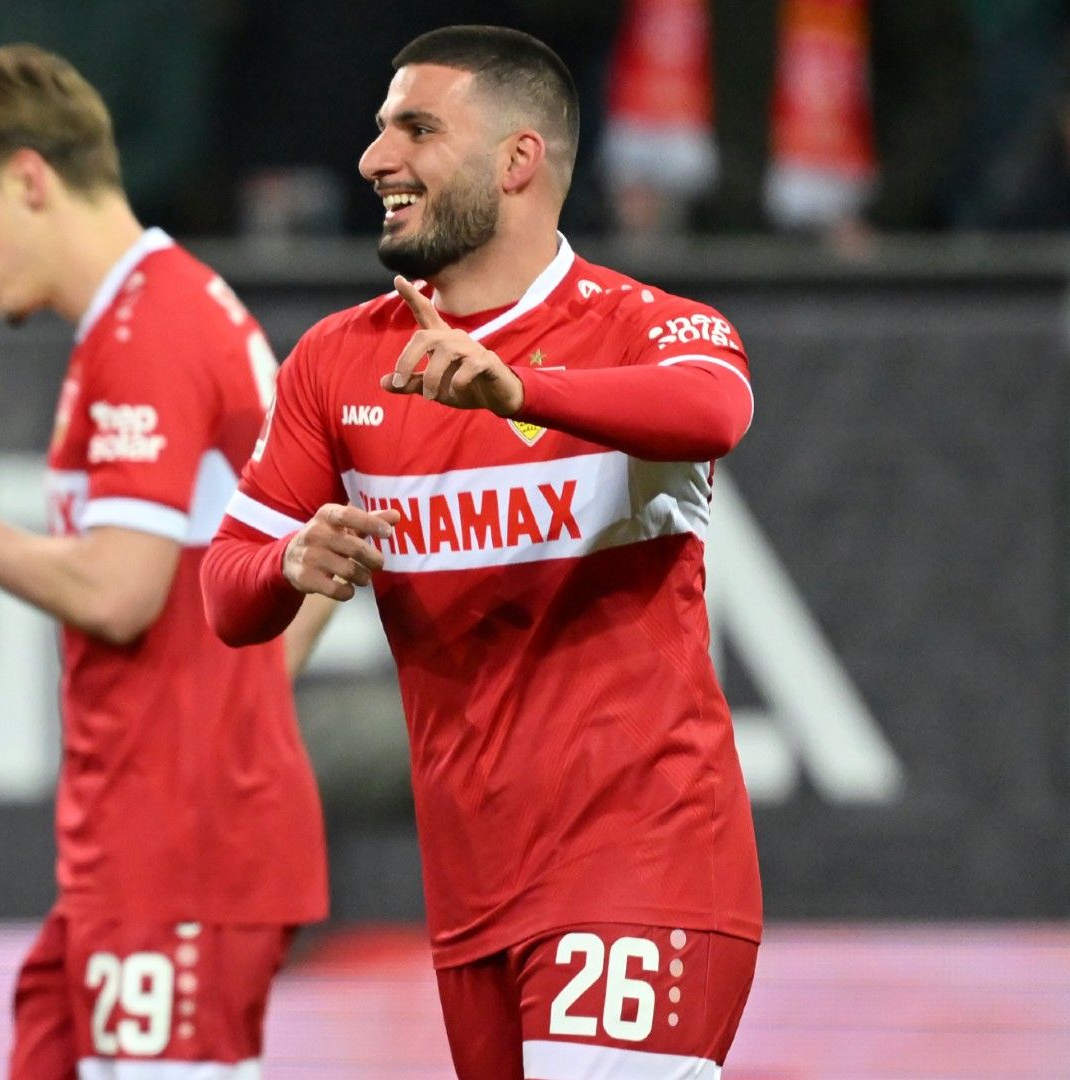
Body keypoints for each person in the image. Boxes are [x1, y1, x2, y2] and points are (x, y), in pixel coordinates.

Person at [201, 25, 761, 1079]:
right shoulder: (337, 361)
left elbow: (714, 412)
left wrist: (522, 389)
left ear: (517, 161)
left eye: (416, 130)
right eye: (380, 130)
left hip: (643, 863)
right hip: (474, 893)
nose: (374, 159)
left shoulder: (648, 326)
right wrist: (287, 565)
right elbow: (227, 588)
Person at [0, 44, 330, 1079]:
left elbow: (122, 594)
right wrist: (233, 716)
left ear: (29, 178)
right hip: (151, 840)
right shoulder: (161, 314)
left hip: (179, 850)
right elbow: (308, 553)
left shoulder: (151, 329)